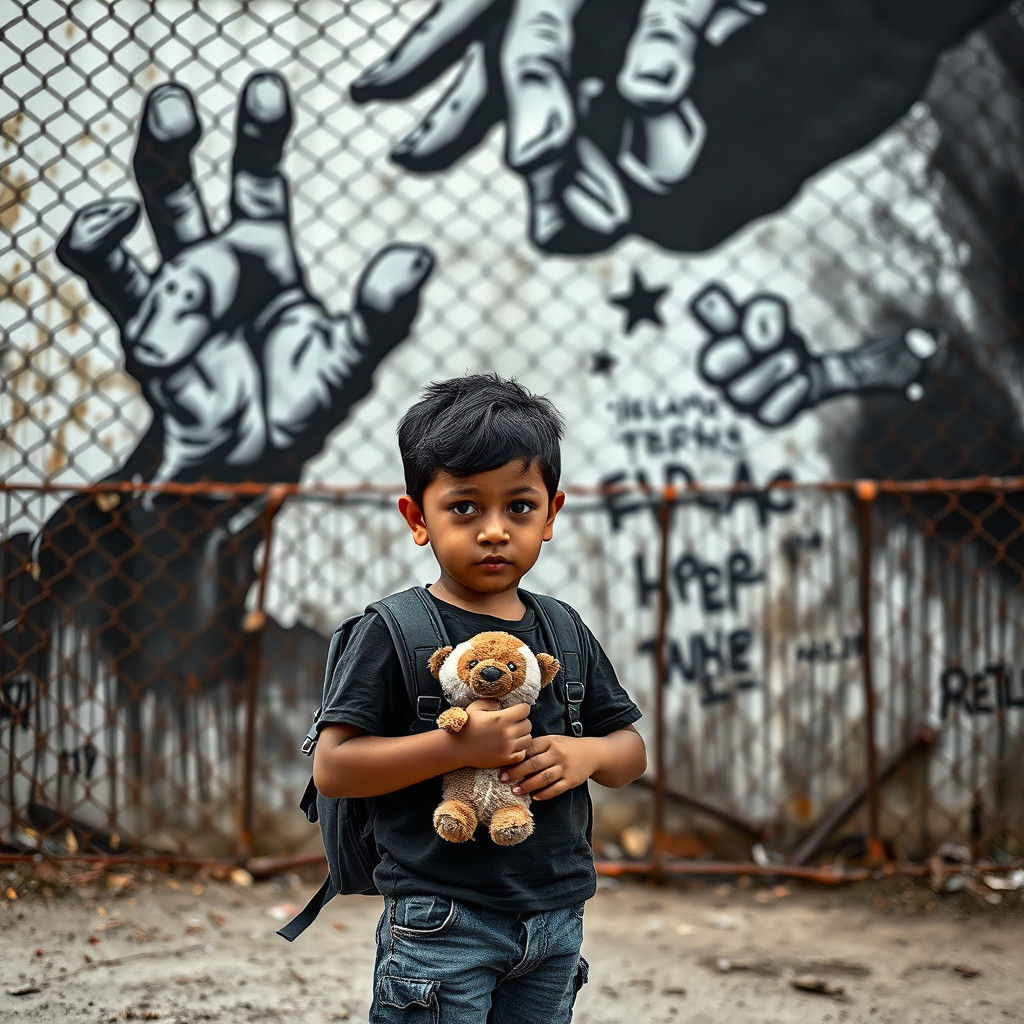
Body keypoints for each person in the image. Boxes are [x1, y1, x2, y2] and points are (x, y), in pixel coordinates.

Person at [312, 373, 647, 1023]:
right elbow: (335, 767)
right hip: (441, 920)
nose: (494, 530)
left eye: (519, 507)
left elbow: (630, 753)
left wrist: (586, 756)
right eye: (464, 507)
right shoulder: (395, 632)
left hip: (555, 918)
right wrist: (451, 746)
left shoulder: (564, 630)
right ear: (417, 518)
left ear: (551, 514)